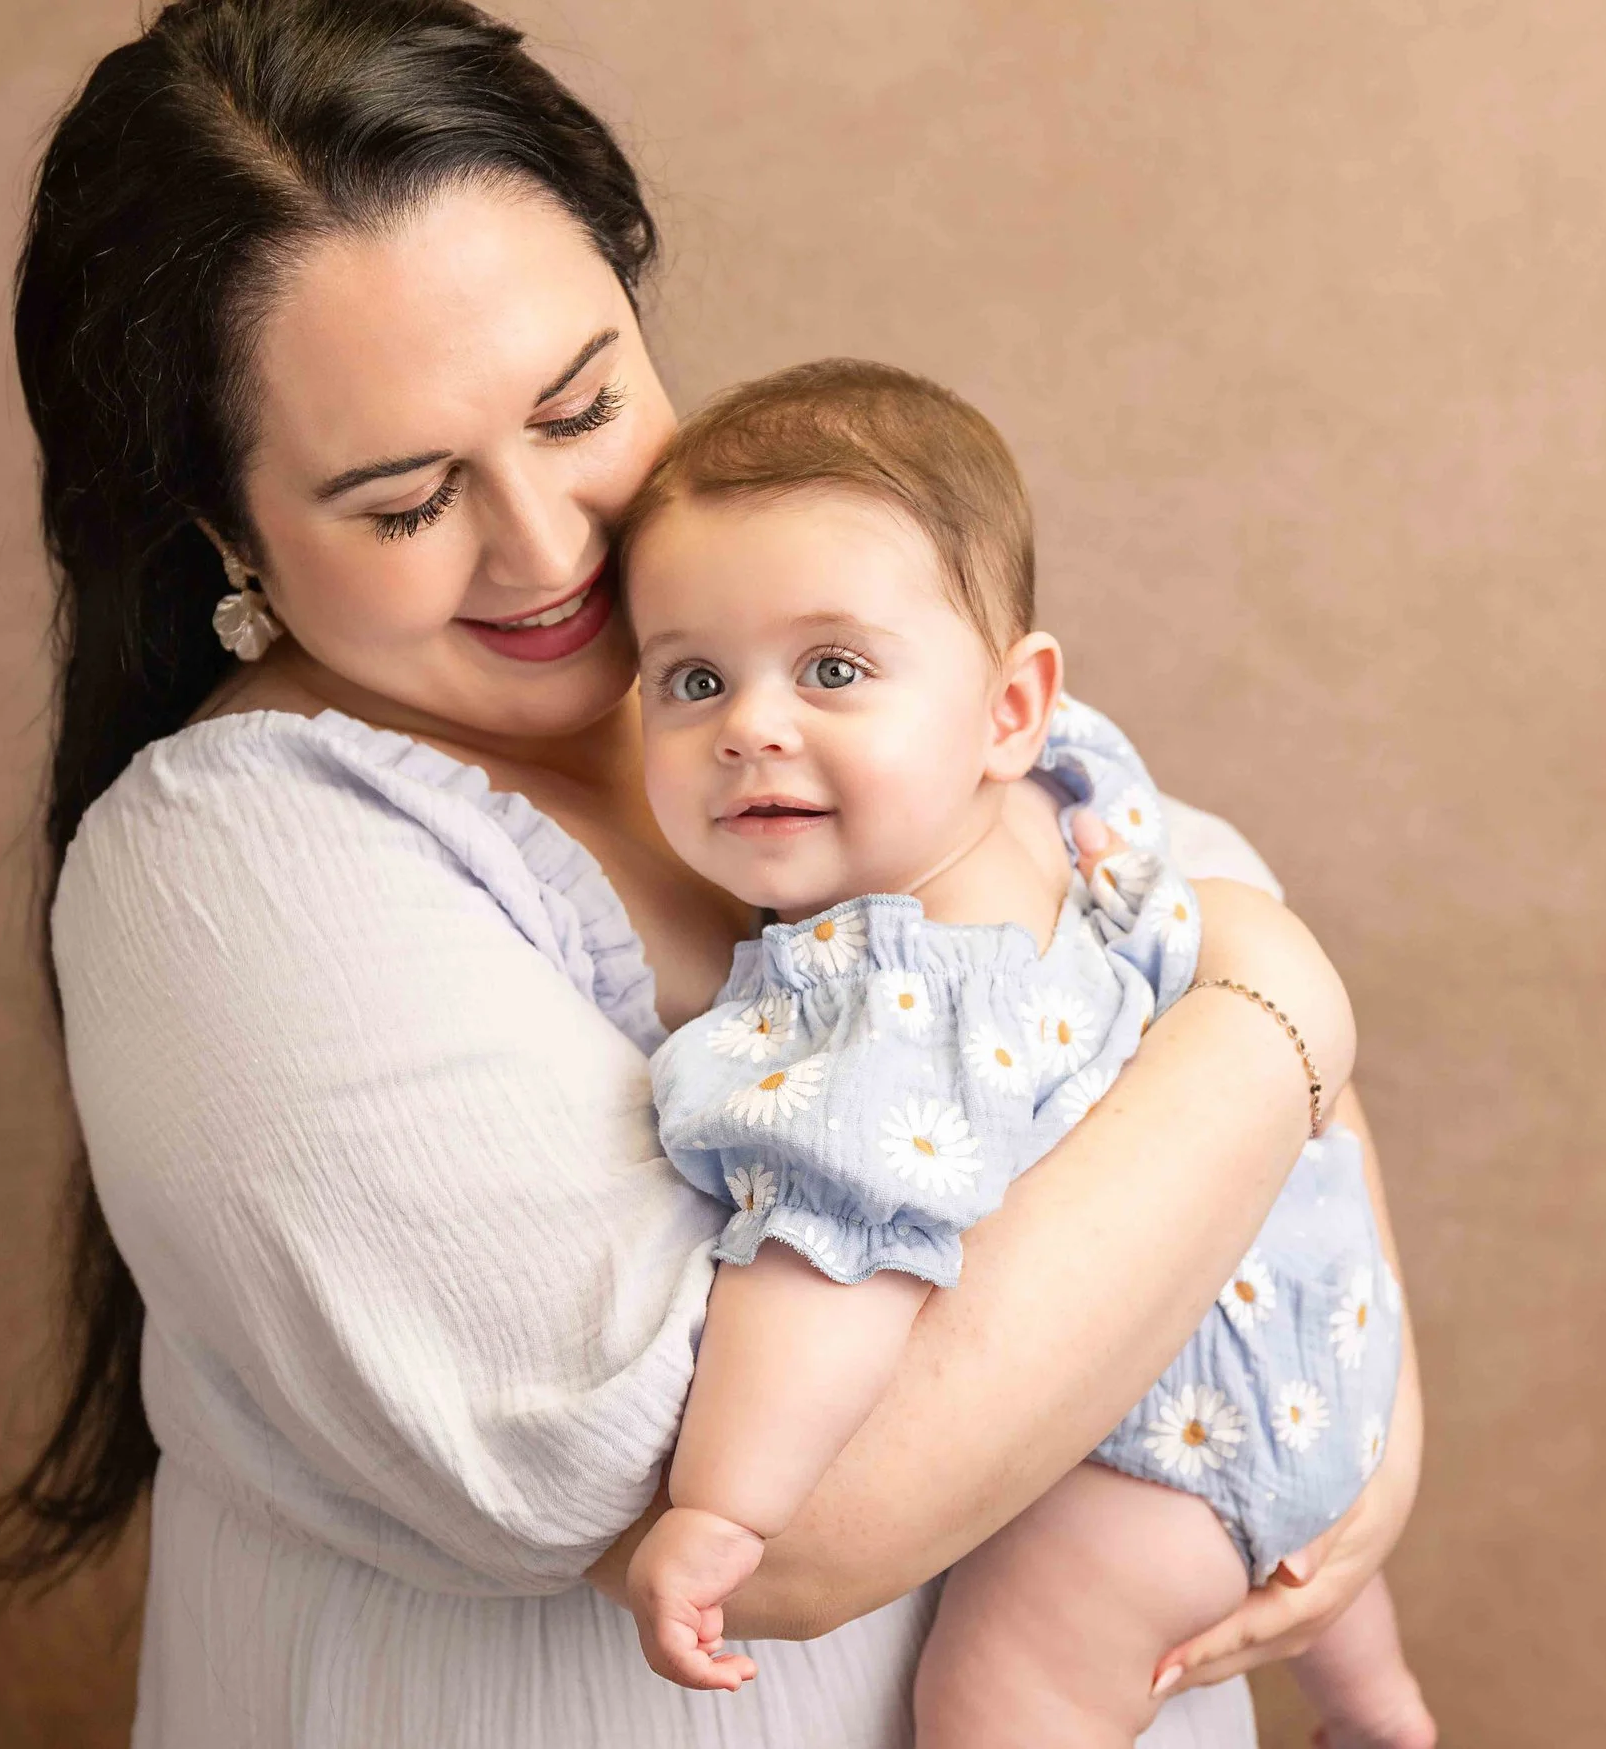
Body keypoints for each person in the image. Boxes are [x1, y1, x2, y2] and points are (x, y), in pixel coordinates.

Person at [0, 2, 1423, 1744]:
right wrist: (1282, 1005)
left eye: (580, 406)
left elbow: (1207, 1031)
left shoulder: (788, 618)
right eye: (410, 500)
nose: (553, 543)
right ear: (226, 535)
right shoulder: (237, 868)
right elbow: (751, 1514)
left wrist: (1367, 1452)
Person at [613, 361, 1434, 1749]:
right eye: (693, 679)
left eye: (832, 669)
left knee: (1001, 1698)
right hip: (1311, 1326)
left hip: (1151, 1444)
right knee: (1296, 1598)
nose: (751, 725)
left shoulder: (893, 995)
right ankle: (1376, 1705)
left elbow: (835, 1254)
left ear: (1006, 705)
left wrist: (720, 1506)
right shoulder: (1073, 794)